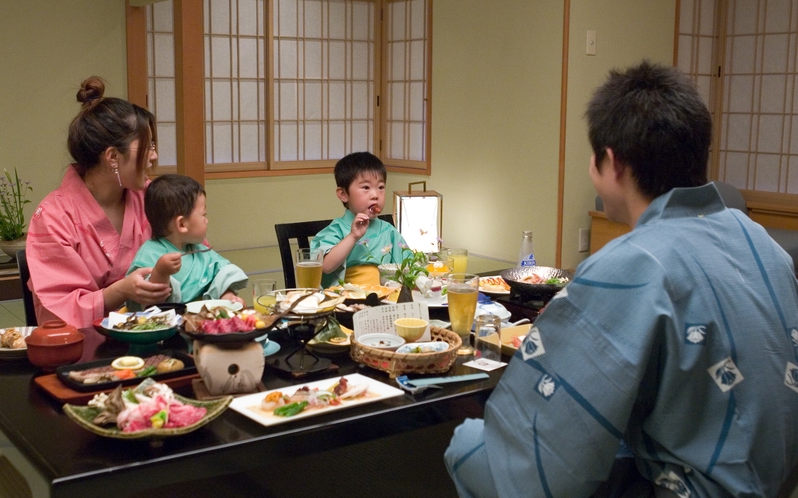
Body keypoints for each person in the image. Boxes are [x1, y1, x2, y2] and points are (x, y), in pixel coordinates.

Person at [445, 61, 798, 497]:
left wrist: (468, 441)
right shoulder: (765, 246)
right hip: (778, 484)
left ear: (611, 162)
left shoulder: (632, 264)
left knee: (474, 447)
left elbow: (542, 457)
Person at [26, 76, 171, 335]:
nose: (154, 156)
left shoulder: (154, 197)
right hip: (89, 348)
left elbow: (195, 252)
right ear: (113, 157)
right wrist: (119, 292)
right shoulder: (54, 216)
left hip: (160, 334)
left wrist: (222, 286)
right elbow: (55, 310)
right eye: (147, 147)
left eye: (153, 145)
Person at [126, 174, 247, 308]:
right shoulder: (150, 253)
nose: (207, 220)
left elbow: (222, 272)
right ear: (182, 224)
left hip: (202, 322)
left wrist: (226, 296)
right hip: (166, 324)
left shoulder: (199, 249)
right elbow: (144, 299)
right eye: (203, 215)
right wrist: (160, 273)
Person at [310, 152, 412, 288]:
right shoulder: (337, 229)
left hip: (385, 299)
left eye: (381, 187)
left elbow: (410, 265)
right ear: (343, 194)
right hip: (346, 301)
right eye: (366, 188)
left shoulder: (388, 231)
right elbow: (326, 267)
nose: (375, 195)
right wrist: (353, 237)